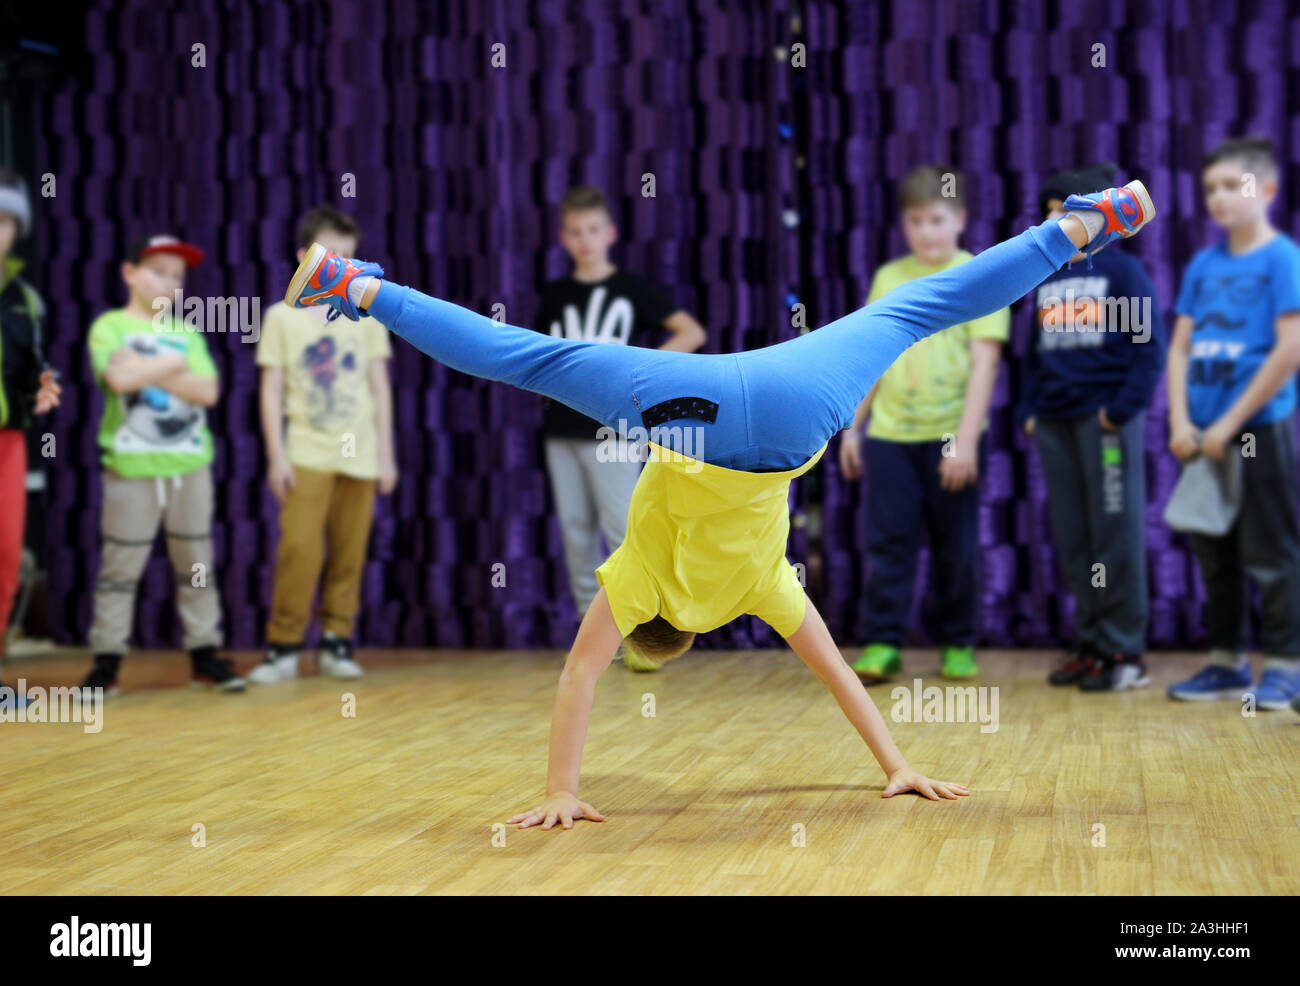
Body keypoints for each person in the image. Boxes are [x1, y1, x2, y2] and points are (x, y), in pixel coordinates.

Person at [285, 180, 1156, 826]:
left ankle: (1072, 228)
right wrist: (560, 788)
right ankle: (357, 286)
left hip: (791, 415)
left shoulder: (761, 590)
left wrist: (899, 764)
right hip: (694, 405)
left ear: (688, 631)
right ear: (645, 622)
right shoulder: (633, 582)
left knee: (914, 308)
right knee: (531, 358)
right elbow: (577, 677)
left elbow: (845, 680)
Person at [839, 166, 1009, 682]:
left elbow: (985, 362)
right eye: (915, 221)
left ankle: (958, 642)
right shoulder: (889, 277)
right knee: (888, 543)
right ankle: (883, 642)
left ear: (960, 219)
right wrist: (853, 425)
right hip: (891, 437)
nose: (926, 231)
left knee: (956, 547)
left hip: (950, 438)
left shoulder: (980, 272)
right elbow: (873, 357)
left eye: (936, 219)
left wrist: (965, 440)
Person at [532, 186, 706, 664]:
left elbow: (691, 331)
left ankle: (639, 636)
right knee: (575, 533)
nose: (585, 241)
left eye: (592, 230)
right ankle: (597, 645)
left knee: (625, 531)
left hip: (613, 430)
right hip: (561, 430)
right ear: (564, 238)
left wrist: (639, 375)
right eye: (574, 232)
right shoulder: (555, 294)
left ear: (609, 233)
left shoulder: (632, 288)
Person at [1017, 163, 1165, 690]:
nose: (1057, 227)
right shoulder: (1046, 279)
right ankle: (1091, 644)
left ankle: (1124, 651)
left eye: (1067, 215)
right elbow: (1033, 356)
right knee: (1076, 538)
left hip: (1105, 427)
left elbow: (1150, 352)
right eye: (1050, 216)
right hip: (1055, 425)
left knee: (1115, 534)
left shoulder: (1124, 274)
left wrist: (1118, 413)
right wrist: (1030, 413)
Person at [1165, 137, 1300, 710]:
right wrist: (1179, 419)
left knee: (1271, 550)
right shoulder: (1204, 264)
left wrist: (1229, 423)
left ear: (1266, 190)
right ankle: (1225, 662)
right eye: (1210, 188)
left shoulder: (1282, 258)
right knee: (1212, 549)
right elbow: (1178, 350)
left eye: (1231, 185)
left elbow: (1290, 348)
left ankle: (1287, 669)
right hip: (1201, 436)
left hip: (1256, 430)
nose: (1217, 197)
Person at [82, 235, 244, 695]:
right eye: (159, 271)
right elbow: (117, 377)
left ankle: (204, 656)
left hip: (189, 466)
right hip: (131, 467)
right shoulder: (109, 326)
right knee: (120, 567)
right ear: (129, 273)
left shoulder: (186, 334)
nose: (170, 283)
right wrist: (175, 368)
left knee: (196, 564)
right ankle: (107, 662)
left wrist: (153, 364)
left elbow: (209, 392)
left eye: (178, 276)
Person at [249, 206, 396, 684]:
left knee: (350, 553)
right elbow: (270, 390)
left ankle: (337, 640)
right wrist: (276, 457)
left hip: (362, 455)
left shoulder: (367, 315)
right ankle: (283, 646)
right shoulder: (280, 318)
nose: (343, 269)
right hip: (306, 454)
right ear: (304, 258)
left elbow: (380, 387)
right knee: (300, 549)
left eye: (350, 260)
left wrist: (388, 456)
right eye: (332, 258)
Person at [0, 170, 60, 705]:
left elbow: (37, 366)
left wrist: (43, 386)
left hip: (10, 439)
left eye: (4, 220)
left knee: (5, 553)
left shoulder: (24, 298)